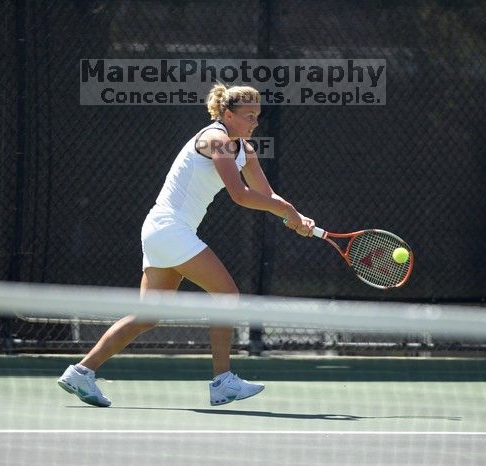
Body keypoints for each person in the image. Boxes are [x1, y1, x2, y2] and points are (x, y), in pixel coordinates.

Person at [58, 83, 315, 407]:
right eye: (248, 116)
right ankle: (223, 381)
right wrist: (287, 213)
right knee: (227, 296)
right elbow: (239, 195)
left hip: (163, 231)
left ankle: (81, 371)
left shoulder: (244, 150)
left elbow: (266, 195)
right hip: (169, 229)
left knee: (147, 316)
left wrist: (297, 217)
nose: (254, 122)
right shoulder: (216, 139)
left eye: (257, 116)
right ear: (226, 114)